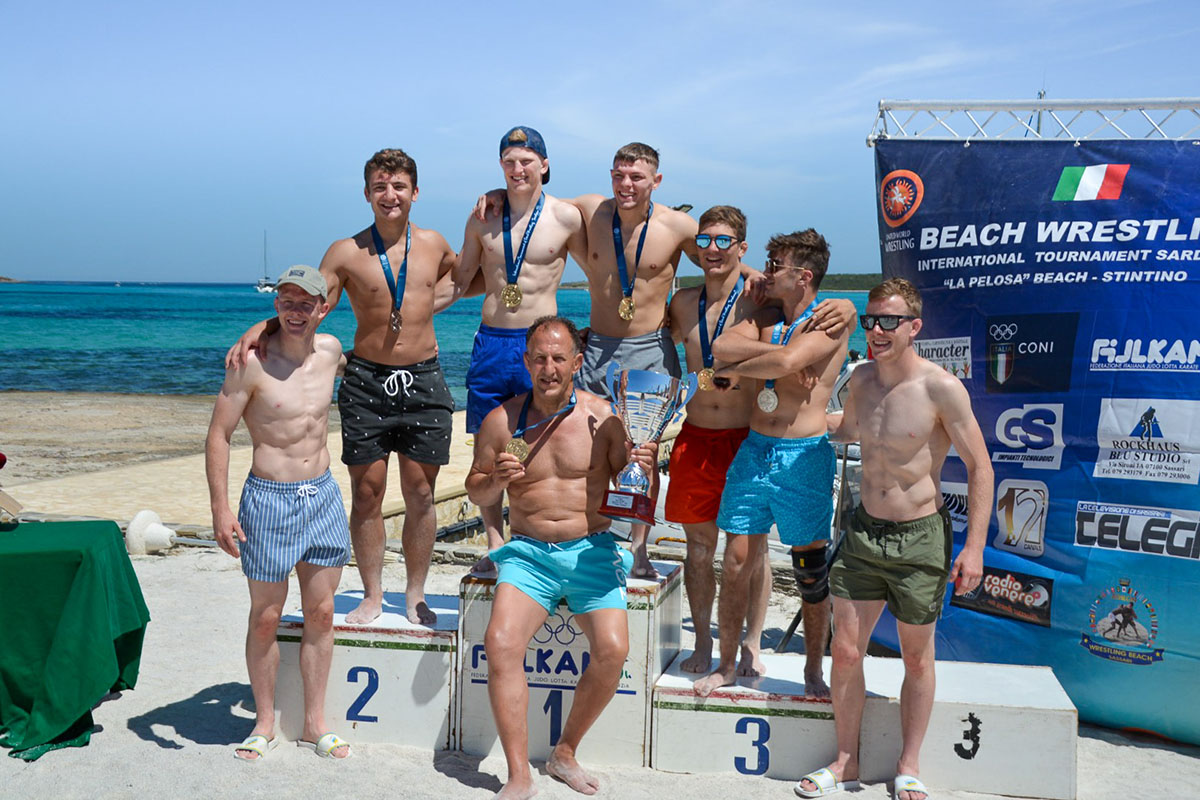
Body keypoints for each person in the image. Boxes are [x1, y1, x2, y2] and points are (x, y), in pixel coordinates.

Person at [477, 142, 762, 579]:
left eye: (636, 177)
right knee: (587, 446)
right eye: (619, 175)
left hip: (649, 349)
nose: (626, 184)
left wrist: (757, 277)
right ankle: (588, 537)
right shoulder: (591, 210)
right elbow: (533, 201)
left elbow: (718, 255)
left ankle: (639, 547)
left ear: (656, 181)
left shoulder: (678, 225)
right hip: (597, 349)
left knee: (642, 453)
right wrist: (501, 193)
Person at [228, 149, 457, 625]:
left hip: (424, 377)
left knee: (420, 492)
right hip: (367, 379)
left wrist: (431, 303)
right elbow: (307, 305)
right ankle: (372, 593)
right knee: (368, 492)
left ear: (415, 192)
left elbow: (468, 275)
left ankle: (415, 592)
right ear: (366, 193)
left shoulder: (435, 244)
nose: (389, 195)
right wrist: (263, 327)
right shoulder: (345, 252)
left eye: (398, 186)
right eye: (380, 187)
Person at [795, 277, 991, 800]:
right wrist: (792, 413)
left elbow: (980, 466)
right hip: (863, 530)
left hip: (920, 538)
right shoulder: (861, 378)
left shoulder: (940, 388)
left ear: (914, 327)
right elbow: (850, 430)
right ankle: (845, 761)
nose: (877, 330)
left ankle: (909, 764)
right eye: (871, 320)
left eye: (889, 321)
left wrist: (974, 547)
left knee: (917, 658)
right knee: (846, 652)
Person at [466, 315, 656, 800]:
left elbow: (634, 493)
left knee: (613, 650)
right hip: (529, 555)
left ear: (576, 362)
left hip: (592, 549)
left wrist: (645, 468)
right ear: (525, 361)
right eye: (539, 358)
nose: (548, 368)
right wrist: (497, 481)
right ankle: (518, 774)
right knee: (500, 642)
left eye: (558, 358)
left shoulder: (604, 418)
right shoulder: (502, 420)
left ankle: (564, 752)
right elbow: (476, 488)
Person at [665, 207, 853, 675]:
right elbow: (726, 349)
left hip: (793, 450)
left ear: (802, 275)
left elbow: (783, 362)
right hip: (743, 444)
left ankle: (805, 667)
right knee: (725, 558)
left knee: (805, 569)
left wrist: (772, 361)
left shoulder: (823, 316)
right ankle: (720, 659)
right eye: (704, 240)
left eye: (776, 265)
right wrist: (775, 357)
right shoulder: (759, 311)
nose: (767, 272)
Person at [205, 266, 352, 761]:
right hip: (268, 499)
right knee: (266, 617)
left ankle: (314, 724)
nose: (295, 311)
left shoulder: (331, 352)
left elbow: (373, 357)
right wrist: (220, 507)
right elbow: (219, 435)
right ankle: (264, 722)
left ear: (323, 309)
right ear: (275, 306)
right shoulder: (250, 364)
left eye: (305, 303)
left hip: (323, 495)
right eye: (286, 302)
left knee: (322, 613)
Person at [436, 126, 586, 578]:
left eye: (526, 161)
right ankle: (495, 542)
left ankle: (540, 537)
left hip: (540, 346)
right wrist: (409, 312)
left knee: (545, 443)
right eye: (509, 162)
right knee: (488, 444)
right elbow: (460, 279)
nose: (517, 169)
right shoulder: (483, 217)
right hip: (491, 343)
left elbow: (601, 274)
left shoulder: (566, 217)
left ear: (544, 164)